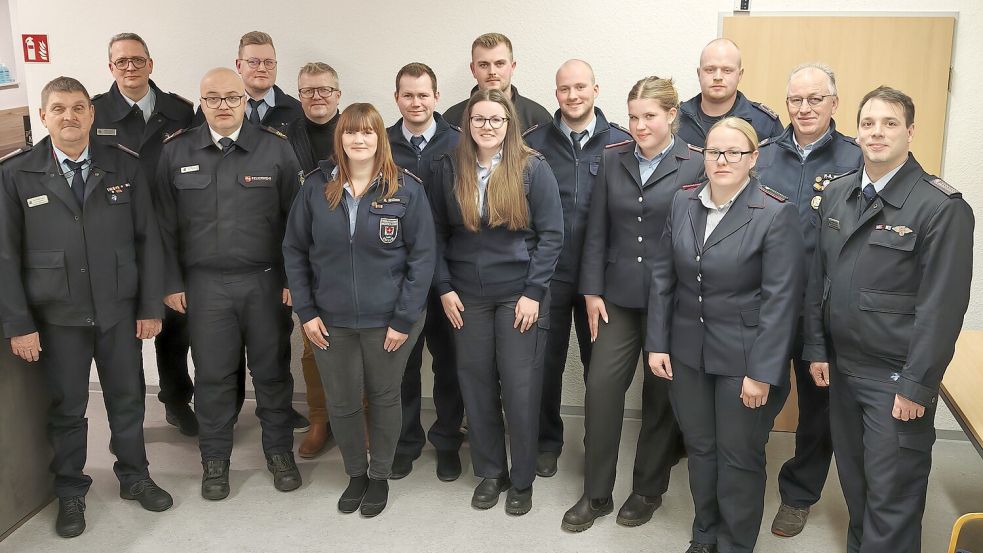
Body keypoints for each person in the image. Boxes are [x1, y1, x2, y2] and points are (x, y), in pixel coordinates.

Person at [803, 87, 974, 553]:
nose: (877, 132)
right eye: (868, 123)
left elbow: (943, 308)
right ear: (856, 130)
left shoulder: (941, 207)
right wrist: (816, 347)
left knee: (892, 496)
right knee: (856, 487)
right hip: (843, 370)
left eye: (890, 123)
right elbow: (821, 280)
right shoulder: (839, 193)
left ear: (910, 132)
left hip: (895, 378)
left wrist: (917, 385)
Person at [0, 76, 173, 538]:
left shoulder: (124, 167)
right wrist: (19, 324)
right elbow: (5, 256)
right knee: (68, 408)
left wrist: (149, 306)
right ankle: (71, 491)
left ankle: (135, 477)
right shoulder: (15, 173)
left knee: (128, 400)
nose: (70, 117)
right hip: (57, 317)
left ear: (92, 114)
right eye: (58, 108)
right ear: (43, 116)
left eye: (78, 108)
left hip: (118, 311)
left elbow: (148, 240)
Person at [647, 117, 804, 553]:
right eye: (714, 151)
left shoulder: (774, 212)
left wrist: (762, 372)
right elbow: (662, 277)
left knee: (738, 456)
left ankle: (735, 544)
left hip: (745, 358)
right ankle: (705, 535)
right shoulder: (682, 203)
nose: (722, 159)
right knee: (700, 449)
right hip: (687, 353)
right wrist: (657, 342)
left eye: (734, 152)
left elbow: (781, 301)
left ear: (753, 159)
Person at [155, 67, 303, 501]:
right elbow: (162, 226)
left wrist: (294, 279)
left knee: (273, 374)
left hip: (265, 282)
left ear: (245, 100)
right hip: (204, 287)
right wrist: (171, 282)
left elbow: (297, 224)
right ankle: (215, 460)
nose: (223, 106)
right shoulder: (176, 151)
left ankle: (279, 454)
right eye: (213, 98)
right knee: (214, 377)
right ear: (201, 102)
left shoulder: (276, 151)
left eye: (231, 98)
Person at [283, 102, 435, 517]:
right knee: (343, 400)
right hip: (329, 321)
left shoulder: (406, 188)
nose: (359, 140)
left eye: (367, 132)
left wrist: (404, 319)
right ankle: (355, 474)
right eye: (351, 132)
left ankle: (380, 476)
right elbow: (294, 251)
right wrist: (307, 311)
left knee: (385, 399)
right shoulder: (316, 187)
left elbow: (423, 259)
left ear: (379, 138)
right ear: (341, 138)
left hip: (390, 321)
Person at [562, 76, 700, 533]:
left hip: (673, 301)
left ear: (671, 116)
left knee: (660, 399)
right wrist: (592, 290)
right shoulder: (612, 157)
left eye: (650, 117)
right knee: (601, 390)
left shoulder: (694, 163)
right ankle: (596, 492)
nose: (640, 126)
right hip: (616, 297)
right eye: (635, 116)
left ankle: (646, 490)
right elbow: (595, 229)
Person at [430, 89, 563, 516]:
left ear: (509, 124)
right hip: (466, 296)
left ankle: (521, 479)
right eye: (479, 119)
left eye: (496, 120)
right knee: (476, 383)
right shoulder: (450, 166)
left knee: (520, 389)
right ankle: (491, 471)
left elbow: (552, 235)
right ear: (467, 124)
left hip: (517, 296)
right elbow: (433, 233)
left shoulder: (531, 167)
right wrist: (445, 286)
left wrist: (533, 293)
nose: (487, 126)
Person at [755, 63, 862, 538]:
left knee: (819, 408)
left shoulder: (855, 160)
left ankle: (799, 494)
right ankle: (742, 482)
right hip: (766, 302)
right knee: (752, 395)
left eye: (815, 99)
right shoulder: (762, 155)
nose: (804, 108)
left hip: (827, 306)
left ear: (834, 103)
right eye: (796, 99)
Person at [522, 59, 631, 478]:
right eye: (565, 89)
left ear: (595, 89)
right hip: (547, 274)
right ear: (556, 94)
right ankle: (547, 441)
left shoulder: (621, 142)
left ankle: (596, 446)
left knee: (598, 369)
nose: (573, 95)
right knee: (543, 366)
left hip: (600, 280)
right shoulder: (534, 143)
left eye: (580, 87)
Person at [90, 32, 198, 437]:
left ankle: (175, 400)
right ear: (110, 68)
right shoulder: (95, 112)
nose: (130, 68)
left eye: (138, 60)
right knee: (125, 333)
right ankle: (129, 417)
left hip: (173, 232)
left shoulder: (181, 111)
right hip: (120, 236)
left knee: (175, 326)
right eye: (122, 62)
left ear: (151, 64)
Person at [386, 62, 465, 481]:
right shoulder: (381, 145)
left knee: (449, 365)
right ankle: (406, 442)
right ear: (396, 98)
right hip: (400, 276)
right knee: (403, 365)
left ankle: (448, 440)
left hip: (451, 277)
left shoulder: (460, 142)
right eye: (407, 95)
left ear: (436, 97)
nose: (416, 102)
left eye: (423, 94)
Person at [285, 61, 344, 458]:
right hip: (308, 258)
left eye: (325, 90)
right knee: (313, 345)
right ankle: (321, 420)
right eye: (308, 91)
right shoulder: (282, 137)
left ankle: (359, 417)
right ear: (299, 94)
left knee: (363, 345)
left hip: (356, 256)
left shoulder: (359, 131)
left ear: (338, 94)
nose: (317, 97)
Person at [677, 38, 783, 148]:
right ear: (699, 73)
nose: (718, 77)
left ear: (740, 75)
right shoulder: (676, 119)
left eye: (727, 70)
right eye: (710, 70)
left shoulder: (765, 124)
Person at [443, 32, 551, 133]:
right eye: (484, 65)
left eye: (499, 64)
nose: (492, 72)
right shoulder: (450, 121)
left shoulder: (539, 119)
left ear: (512, 67)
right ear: (473, 70)